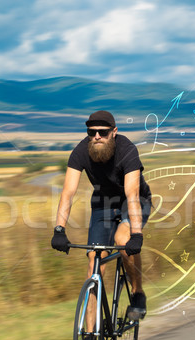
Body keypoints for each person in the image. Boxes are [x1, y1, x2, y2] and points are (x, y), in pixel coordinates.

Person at [51, 110, 152, 321]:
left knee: (122, 241)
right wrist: (59, 229)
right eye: (92, 131)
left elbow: (132, 195)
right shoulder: (80, 151)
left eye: (103, 132)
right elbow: (68, 192)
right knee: (94, 263)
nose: (97, 136)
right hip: (103, 204)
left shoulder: (127, 150)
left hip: (133, 201)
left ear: (114, 132)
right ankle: (90, 335)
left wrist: (136, 234)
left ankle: (137, 294)